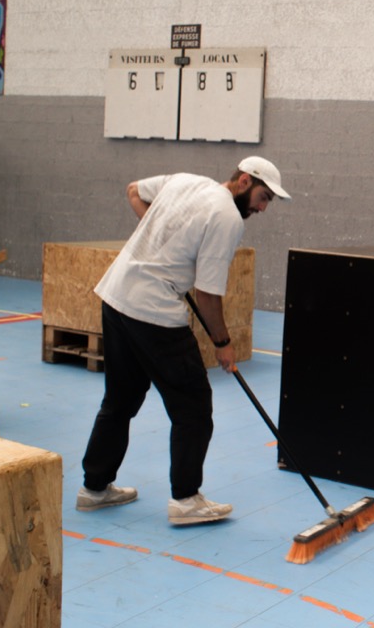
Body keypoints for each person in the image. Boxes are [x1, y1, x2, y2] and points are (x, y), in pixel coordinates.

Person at [77, 156, 290, 525]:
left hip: (116, 297)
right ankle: (186, 500)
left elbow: (134, 191)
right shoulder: (227, 217)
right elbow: (207, 294)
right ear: (244, 181)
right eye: (263, 197)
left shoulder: (185, 181)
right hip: (153, 311)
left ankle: (94, 488)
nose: (263, 208)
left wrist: (163, 248)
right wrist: (222, 343)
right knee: (193, 405)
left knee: (120, 399)